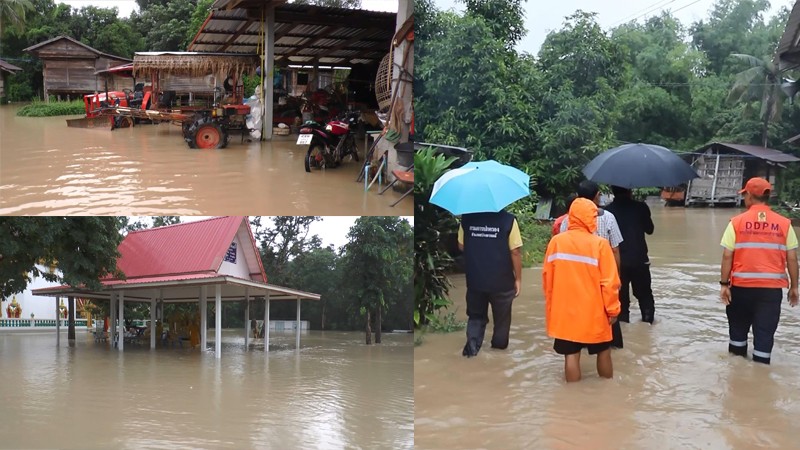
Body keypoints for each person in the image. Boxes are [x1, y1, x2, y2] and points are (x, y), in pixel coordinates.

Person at [719, 177, 799, 365]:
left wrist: (724, 284)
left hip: (741, 289)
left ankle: (737, 378)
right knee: (764, 337)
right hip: (770, 292)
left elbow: (727, 256)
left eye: (744, 194)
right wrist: (795, 287)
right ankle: (761, 380)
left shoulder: (736, 222)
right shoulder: (784, 224)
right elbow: (792, 258)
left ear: (749, 195)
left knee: (737, 334)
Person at [543, 198, 621, 382]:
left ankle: (572, 401)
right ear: (590, 218)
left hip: (565, 312)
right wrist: (613, 310)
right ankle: (608, 392)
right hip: (594, 312)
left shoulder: (556, 242)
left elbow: (548, 279)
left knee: (571, 355)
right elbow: (609, 283)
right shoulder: (600, 245)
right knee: (603, 352)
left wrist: (552, 307)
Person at [559, 180, 624, 348]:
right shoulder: (608, 218)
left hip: (575, 282)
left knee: (573, 342)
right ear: (597, 196)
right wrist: (616, 278)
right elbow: (615, 250)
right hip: (602, 279)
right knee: (607, 338)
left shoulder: (567, 221)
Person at [457, 209, 523, 357]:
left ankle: (471, 351)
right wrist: (518, 279)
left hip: (475, 279)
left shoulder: (467, 218)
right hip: (502, 281)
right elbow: (515, 252)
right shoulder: (509, 220)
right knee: (502, 320)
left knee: (475, 316)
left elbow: (461, 246)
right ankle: (498, 355)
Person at [605, 186, 656, 323]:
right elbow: (650, 230)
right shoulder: (641, 207)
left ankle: (624, 330)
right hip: (639, 259)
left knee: (621, 298)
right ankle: (648, 325)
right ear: (630, 190)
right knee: (645, 295)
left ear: (613, 191)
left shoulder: (607, 211)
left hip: (617, 261)